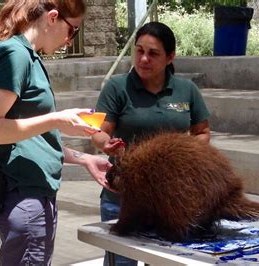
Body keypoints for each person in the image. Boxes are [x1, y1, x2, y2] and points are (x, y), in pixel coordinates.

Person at [0, 0, 113, 265]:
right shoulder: (14, 54)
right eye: (72, 30)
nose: (69, 41)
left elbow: (29, 139)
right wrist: (56, 119)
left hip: (32, 198)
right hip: (24, 199)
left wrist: (83, 158)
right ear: (52, 18)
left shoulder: (28, 56)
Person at [91, 21, 211, 265]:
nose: (143, 59)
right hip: (123, 199)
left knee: (164, 261)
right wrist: (106, 145)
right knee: (122, 262)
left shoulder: (186, 90)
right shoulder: (116, 87)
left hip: (171, 199)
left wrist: (188, 154)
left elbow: (202, 132)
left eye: (153, 53)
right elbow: (98, 132)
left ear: (170, 57)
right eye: (139, 51)